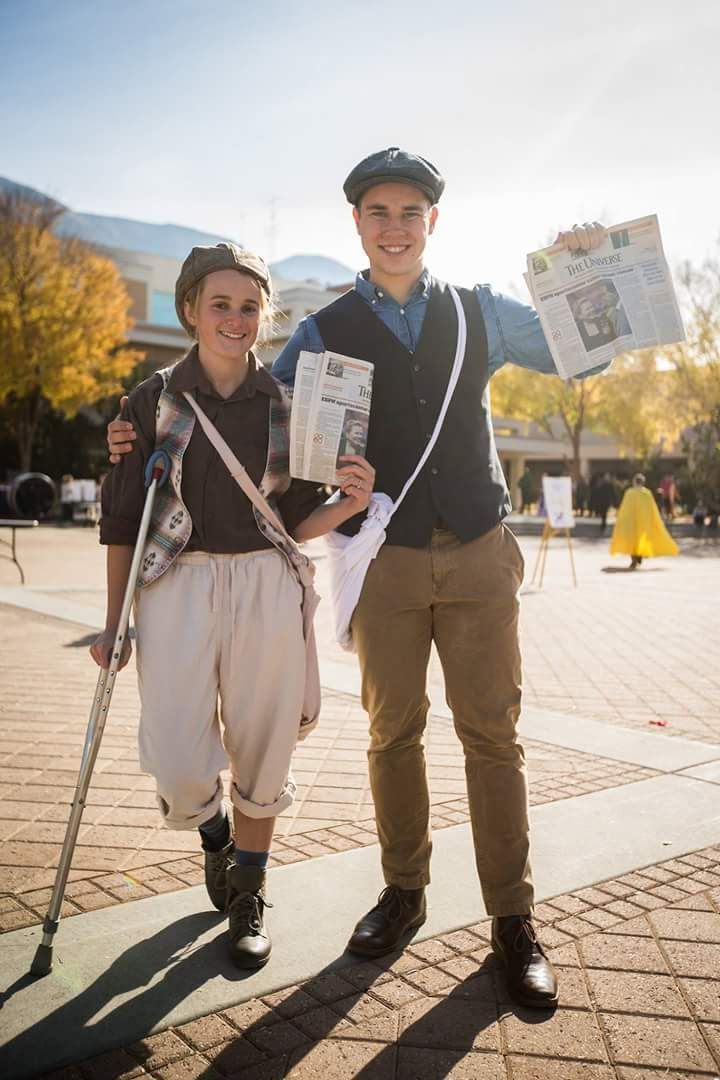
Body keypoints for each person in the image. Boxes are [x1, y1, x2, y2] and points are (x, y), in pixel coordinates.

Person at [107, 149, 609, 1009]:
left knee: (493, 736)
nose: (395, 227)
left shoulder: (479, 310)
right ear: (358, 224)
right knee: (393, 733)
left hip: (482, 547)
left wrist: (582, 270)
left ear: (433, 224)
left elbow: (582, 357)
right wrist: (136, 427)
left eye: (411, 212)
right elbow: (240, 398)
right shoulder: (323, 330)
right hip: (382, 556)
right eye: (379, 211)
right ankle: (404, 892)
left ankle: (513, 922)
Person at [93, 242, 374, 970]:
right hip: (175, 586)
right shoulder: (147, 402)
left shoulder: (289, 405)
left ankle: (248, 894)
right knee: (179, 758)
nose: (235, 319)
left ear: (264, 316)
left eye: (250, 307)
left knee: (262, 745)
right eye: (220, 304)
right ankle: (214, 830)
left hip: (263, 584)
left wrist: (348, 503)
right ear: (190, 309)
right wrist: (113, 618)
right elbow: (124, 518)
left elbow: (293, 520)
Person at [610, 473, 678, 569]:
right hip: (643, 523)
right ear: (642, 482)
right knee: (640, 540)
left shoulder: (630, 493)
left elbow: (624, 509)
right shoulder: (646, 493)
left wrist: (621, 520)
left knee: (633, 541)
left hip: (631, 523)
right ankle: (638, 557)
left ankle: (635, 559)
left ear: (634, 482)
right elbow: (652, 509)